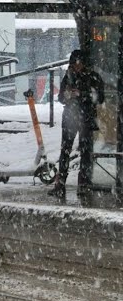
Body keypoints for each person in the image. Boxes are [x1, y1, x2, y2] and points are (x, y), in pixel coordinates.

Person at [51, 49, 105, 198]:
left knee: (85, 152)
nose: (76, 66)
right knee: (65, 151)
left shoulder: (93, 76)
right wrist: (67, 95)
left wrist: (82, 94)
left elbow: (99, 97)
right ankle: (60, 182)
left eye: (78, 63)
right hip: (70, 118)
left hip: (85, 118)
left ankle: (84, 183)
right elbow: (61, 97)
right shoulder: (68, 76)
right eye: (74, 63)